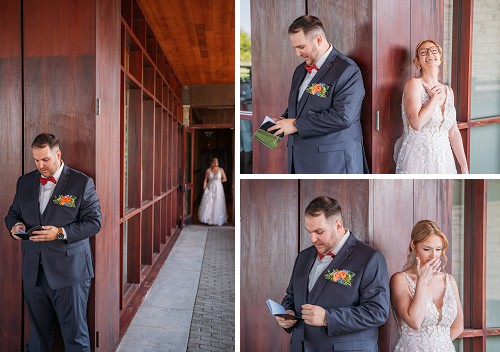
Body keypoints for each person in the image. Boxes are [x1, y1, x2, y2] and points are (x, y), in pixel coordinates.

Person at [4, 133, 102, 351]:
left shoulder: (82, 182)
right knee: (38, 338)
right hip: (33, 274)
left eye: (45, 160)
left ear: (58, 154)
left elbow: (94, 223)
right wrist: (15, 226)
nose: (40, 165)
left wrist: (59, 233)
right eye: (36, 160)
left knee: (75, 337)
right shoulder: (25, 182)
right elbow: (13, 213)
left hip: (70, 274)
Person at [276, 196, 390, 351]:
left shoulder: (370, 258)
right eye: (309, 232)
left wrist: (327, 318)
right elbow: (291, 296)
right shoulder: (303, 257)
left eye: (319, 231)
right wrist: (287, 313)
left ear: (338, 225)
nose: (312, 239)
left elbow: (378, 312)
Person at [268, 15, 368, 174]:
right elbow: (301, 106)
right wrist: (283, 120)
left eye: (301, 47)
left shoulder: (347, 70)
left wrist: (294, 125)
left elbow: (343, 116)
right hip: (300, 159)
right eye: (294, 47)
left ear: (319, 39)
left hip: (333, 163)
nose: (297, 53)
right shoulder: (300, 71)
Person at [394, 39, 469, 174]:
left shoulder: (448, 91)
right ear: (417, 61)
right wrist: (434, 99)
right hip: (419, 157)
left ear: (440, 59)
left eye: (434, 50)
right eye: (423, 52)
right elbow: (416, 124)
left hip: (444, 158)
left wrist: (463, 166)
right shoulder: (414, 85)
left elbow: (453, 132)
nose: (429, 53)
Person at [390, 220, 464, 351]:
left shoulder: (449, 280)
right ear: (413, 245)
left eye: (438, 249)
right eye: (427, 249)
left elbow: (458, 326)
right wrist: (422, 281)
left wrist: (436, 346)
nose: (434, 256)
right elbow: (415, 322)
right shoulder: (400, 280)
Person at [198, 157, 227, 226]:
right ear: (211, 163)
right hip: (210, 187)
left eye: (216, 162)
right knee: (209, 203)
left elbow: (225, 179)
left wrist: (218, 182)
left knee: (217, 202)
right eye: (214, 162)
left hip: (218, 188)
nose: (215, 164)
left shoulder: (221, 170)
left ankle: (216, 219)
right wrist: (204, 187)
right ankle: (208, 218)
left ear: (218, 163)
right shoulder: (208, 170)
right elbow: (205, 179)